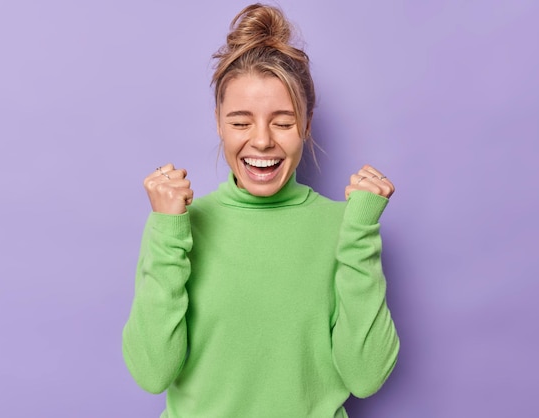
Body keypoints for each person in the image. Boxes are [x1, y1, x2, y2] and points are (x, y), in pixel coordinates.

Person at [122, 3, 399, 417]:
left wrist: (359, 231)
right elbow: (152, 372)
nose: (263, 141)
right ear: (218, 122)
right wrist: (166, 230)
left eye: (283, 122)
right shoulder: (179, 226)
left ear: (306, 124)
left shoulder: (342, 226)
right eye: (240, 122)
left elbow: (366, 377)